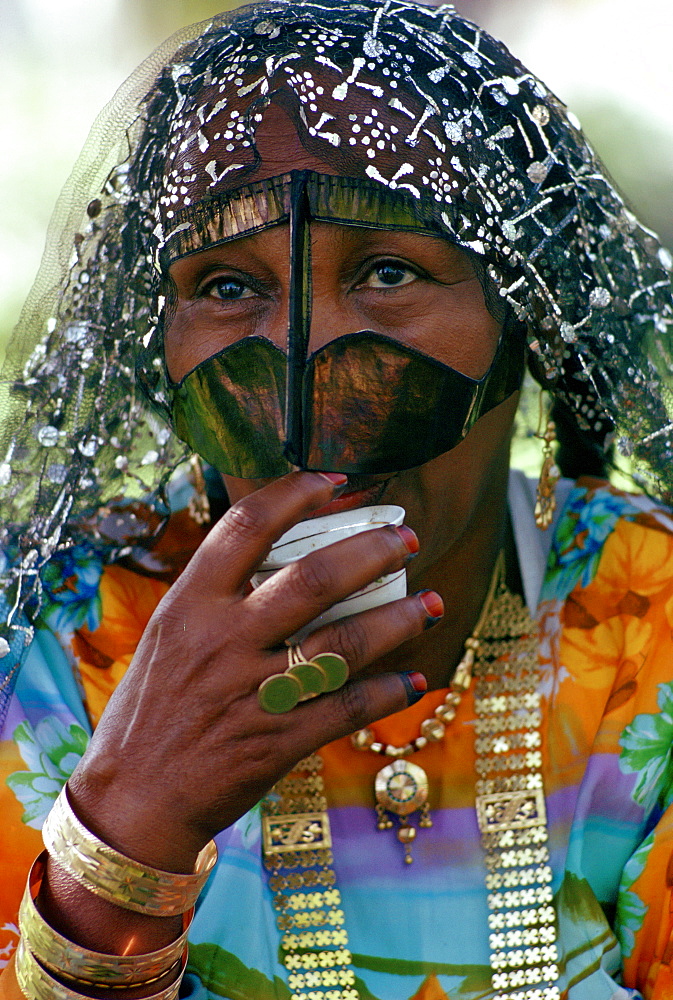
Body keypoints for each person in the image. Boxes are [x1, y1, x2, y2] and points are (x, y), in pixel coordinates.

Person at [1, 2, 673, 998]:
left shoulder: (647, 628)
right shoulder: (49, 649)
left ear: (523, 313)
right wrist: (122, 829)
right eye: (227, 285)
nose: (306, 376)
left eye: (389, 270)